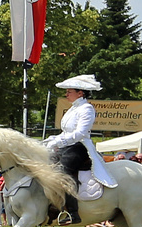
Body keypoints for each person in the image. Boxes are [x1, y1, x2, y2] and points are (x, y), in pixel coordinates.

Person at [47, 74, 116, 207]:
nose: (66, 94)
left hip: (80, 146)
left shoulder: (86, 109)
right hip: (68, 145)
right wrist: (53, 139)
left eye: (69, 92)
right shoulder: (73, 109)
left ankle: (72, 210)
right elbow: (66, 132)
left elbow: (80, 133)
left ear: (80, 93)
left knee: (64, 170)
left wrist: (59, 142)